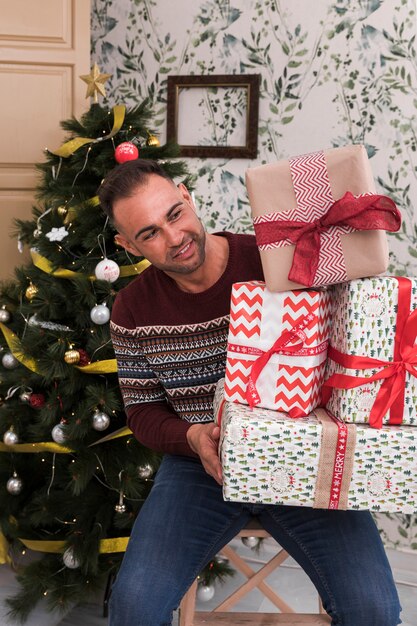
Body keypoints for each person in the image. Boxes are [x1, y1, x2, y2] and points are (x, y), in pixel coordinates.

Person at [98, 158, 401, 626]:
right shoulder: (133, 306)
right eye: (149, 233)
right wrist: (195, 438)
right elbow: (142, 411)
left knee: (374, 610)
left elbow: (351, 331)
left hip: (299, 453)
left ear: (187, 195)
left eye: (174, 214)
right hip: (200, 466)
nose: (174, 238)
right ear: (125, 244)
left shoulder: (273, 259)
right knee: (134, 607)